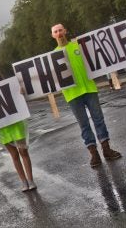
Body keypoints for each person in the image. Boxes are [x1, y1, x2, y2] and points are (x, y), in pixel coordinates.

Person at [51, 23, 122, 168]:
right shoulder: (52, 56)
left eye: (60, 30)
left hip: (89, 89)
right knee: (84, 125)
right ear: (53, 35)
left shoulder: (79, 46)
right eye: (55, 31)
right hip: (72, 94)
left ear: (65, 31)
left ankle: (106, 149)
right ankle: (94, 154)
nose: (59, 33)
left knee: (99, 119)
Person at [0, 69, 36, 191]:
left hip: (16, 125)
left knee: (23, 152)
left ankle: (30, 180)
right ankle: (23, 182)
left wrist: (21, 93)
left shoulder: (9, 87)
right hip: (3, 129)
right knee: (14, 155)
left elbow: (19, 99)